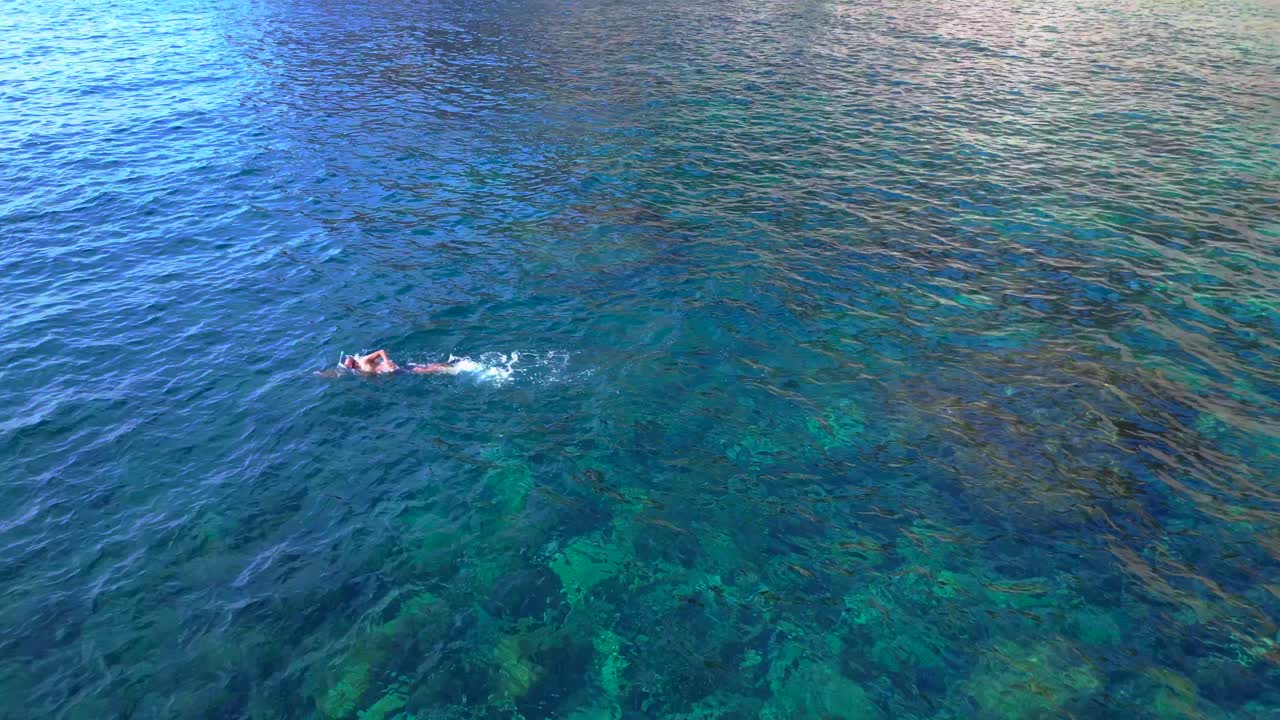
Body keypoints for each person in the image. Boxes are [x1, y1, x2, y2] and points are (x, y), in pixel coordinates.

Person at [319, 349, 471, 376]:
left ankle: (456, 367)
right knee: (422, 368)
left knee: (422, 370)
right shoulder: (358, 369)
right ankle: (451, 363)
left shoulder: (363, 361)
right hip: (394, 373)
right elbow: (337, 373)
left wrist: (388, 364)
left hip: (395, 369)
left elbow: (381, 351)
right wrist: (323, 374)